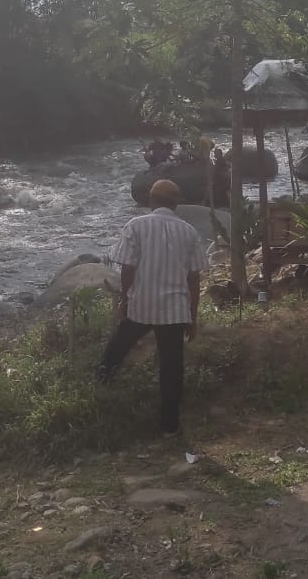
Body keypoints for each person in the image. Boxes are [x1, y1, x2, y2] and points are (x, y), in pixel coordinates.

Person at [97, 179, 206, 436]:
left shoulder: (136, 226)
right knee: (171, 367)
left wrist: (125, 299)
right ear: (175, 204)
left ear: (151, 200)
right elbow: (194, 278)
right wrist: (193, 316)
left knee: (117, 348)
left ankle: (101, 388)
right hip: (175, 309)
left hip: (141, 305)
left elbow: (128, 268)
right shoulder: (189, 231)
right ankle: (170, 427)